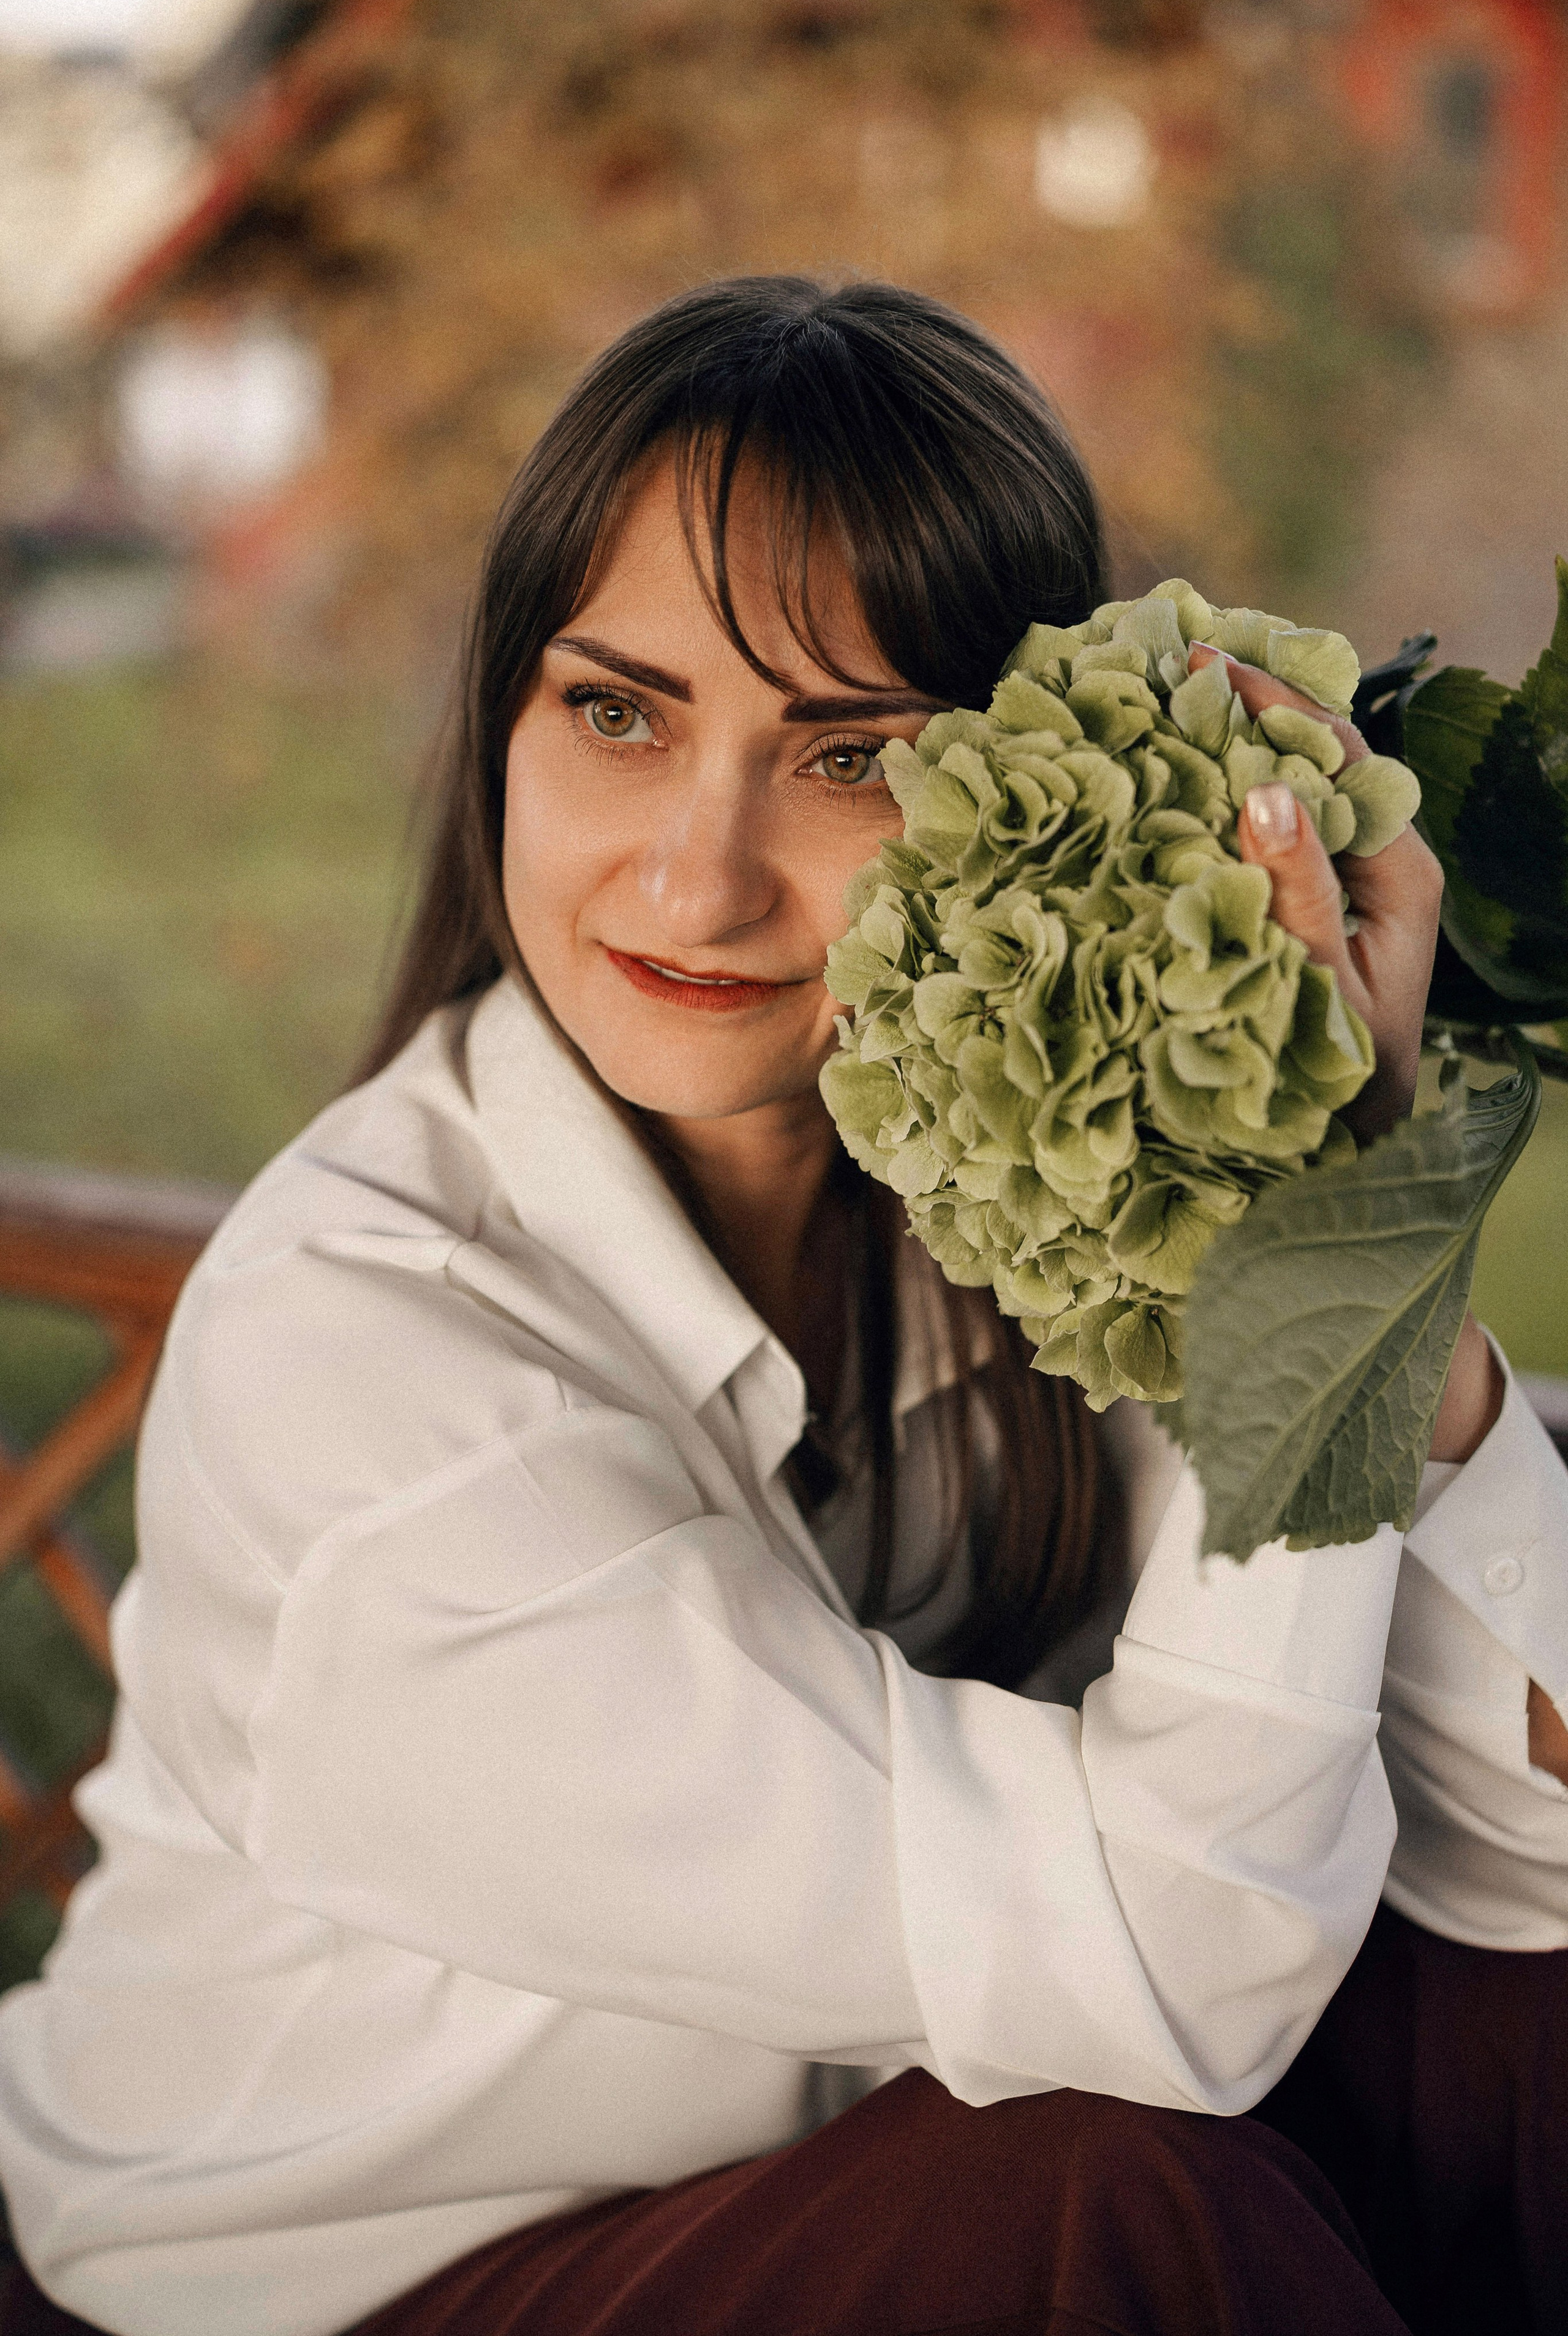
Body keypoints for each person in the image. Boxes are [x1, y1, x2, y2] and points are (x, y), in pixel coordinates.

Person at [0, 278, 1564, 2336]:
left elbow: (1528, 1858)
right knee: (1117, 2204)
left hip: (827, 2149)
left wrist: (1338, 1221)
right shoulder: (361, 1383)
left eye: (846, 757)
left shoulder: (1016, 1178)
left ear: (1025, 812)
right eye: (620, 711)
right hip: (343, 2276)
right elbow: (1179, 1973)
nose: (699, 875)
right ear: (505, 720)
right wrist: (1323, 1253)